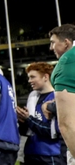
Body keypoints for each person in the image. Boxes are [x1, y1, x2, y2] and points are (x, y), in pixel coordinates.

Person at [16, 62, 62, 165]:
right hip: (30, 152)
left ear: (45, 77)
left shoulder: (57, 98)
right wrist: (22, 120)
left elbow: (52, 131)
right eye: (29, 77)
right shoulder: (32, 97)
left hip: (50, 154)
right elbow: (28, 130)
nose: (29, 81)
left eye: (32, 77)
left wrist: (29, 119)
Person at [49, 24, 75, 164]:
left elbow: (66, 124)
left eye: (53, 42)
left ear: (66, 42)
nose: (51, 48)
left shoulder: (68, 61)